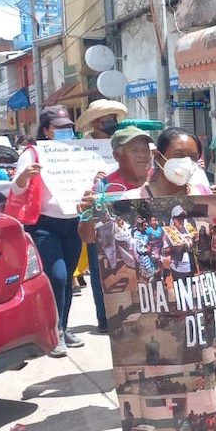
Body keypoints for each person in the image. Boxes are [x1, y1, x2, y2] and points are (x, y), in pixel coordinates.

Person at [80, 127, 216, 431]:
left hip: (197, 312)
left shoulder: (204, 200)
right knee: (154, 391)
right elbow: (89, 235)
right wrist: (92, 210)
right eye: (178, 154)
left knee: (202, 393)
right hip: (147, 316)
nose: (186, 165)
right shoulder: (127, 202)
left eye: (193, 157)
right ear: (159, 158)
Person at [11, 106, 85, 357]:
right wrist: (24, 177)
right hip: (44, 224)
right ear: (46, 130)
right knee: (58, 277)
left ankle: (62, 326)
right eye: (60, 128)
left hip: (73, 223)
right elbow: (17, 190)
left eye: (69, 128)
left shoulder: (77, 152)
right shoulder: (32, 154)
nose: (66, 132)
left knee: (66, 279)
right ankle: (53, 332)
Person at [78, 126, 157, 333]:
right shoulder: (104, 188)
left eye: (145, 149)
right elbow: (87, 238)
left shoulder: (161, 180)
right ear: (116, 155)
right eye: (134, 150)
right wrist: (89, 213)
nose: (143, 155)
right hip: (126, 272)